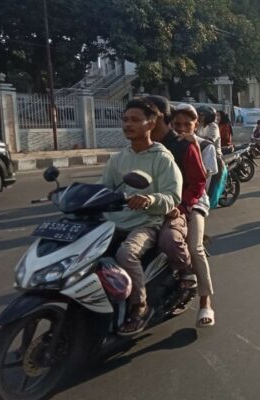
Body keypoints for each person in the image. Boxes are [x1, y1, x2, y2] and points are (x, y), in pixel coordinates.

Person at [100, 98, 182, 336]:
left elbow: (172, 196)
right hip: (114, 221)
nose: (128, 124)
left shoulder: (161, 158)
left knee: (126, 254)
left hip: (146, 223)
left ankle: (139, 306)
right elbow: (103, 188)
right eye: (125, 120)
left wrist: (149, 200)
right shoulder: (117, 158)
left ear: (151, 123)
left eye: (135, 120)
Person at [145, 96, 205, 302]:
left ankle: (193, 281)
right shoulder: (139, 146)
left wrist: (181, 207)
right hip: (143, 207)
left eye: (144, 117)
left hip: (181, 206)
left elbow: (199, 183)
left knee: (178, 242)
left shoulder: (185, 145)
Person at [171, 103, 217, 327]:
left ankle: (205, 302)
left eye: (187, 125)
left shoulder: (204, 146)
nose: (181, 129)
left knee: (194, 246)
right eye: (177, 124)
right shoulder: (165, 144)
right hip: (166, 202)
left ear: (196, 125)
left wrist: (194, 149)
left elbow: (202, 182)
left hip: (195, 201)